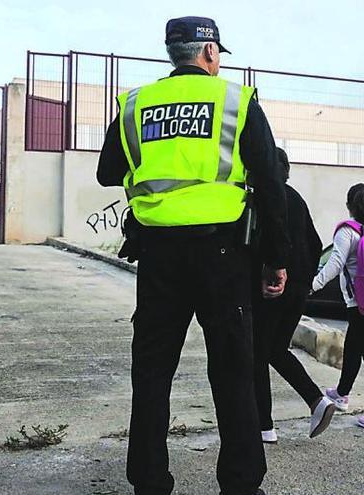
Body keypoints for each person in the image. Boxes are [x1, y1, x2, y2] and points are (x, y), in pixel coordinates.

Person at [97, 17, 290, 495]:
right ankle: (242, 484)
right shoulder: (236, 100)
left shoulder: (136, 103)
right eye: (218, 53)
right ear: (207, 52)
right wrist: (276, 257)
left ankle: (149, 481)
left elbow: (107, 172)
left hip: (159, 255)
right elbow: (270, 184)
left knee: (152, 371)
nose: (219, 60)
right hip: (222, 254)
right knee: (233, 371)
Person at [252, 149, 335, 444]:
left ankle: (264, 426)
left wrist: (268, 273)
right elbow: (315, 243)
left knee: (257, 355)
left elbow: (260, 243)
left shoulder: (264, 198)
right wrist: (303, 281)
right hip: (298, 289)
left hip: (273, 287)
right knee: (275, 350)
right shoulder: (297, 199)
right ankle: (317, 400)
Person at [311, 183, 364, 431]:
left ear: (349, 205)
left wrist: (314, 285)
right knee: (354, 347)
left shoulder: (348, 231)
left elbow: (335, 263)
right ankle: (341, 393)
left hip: (359, 302)